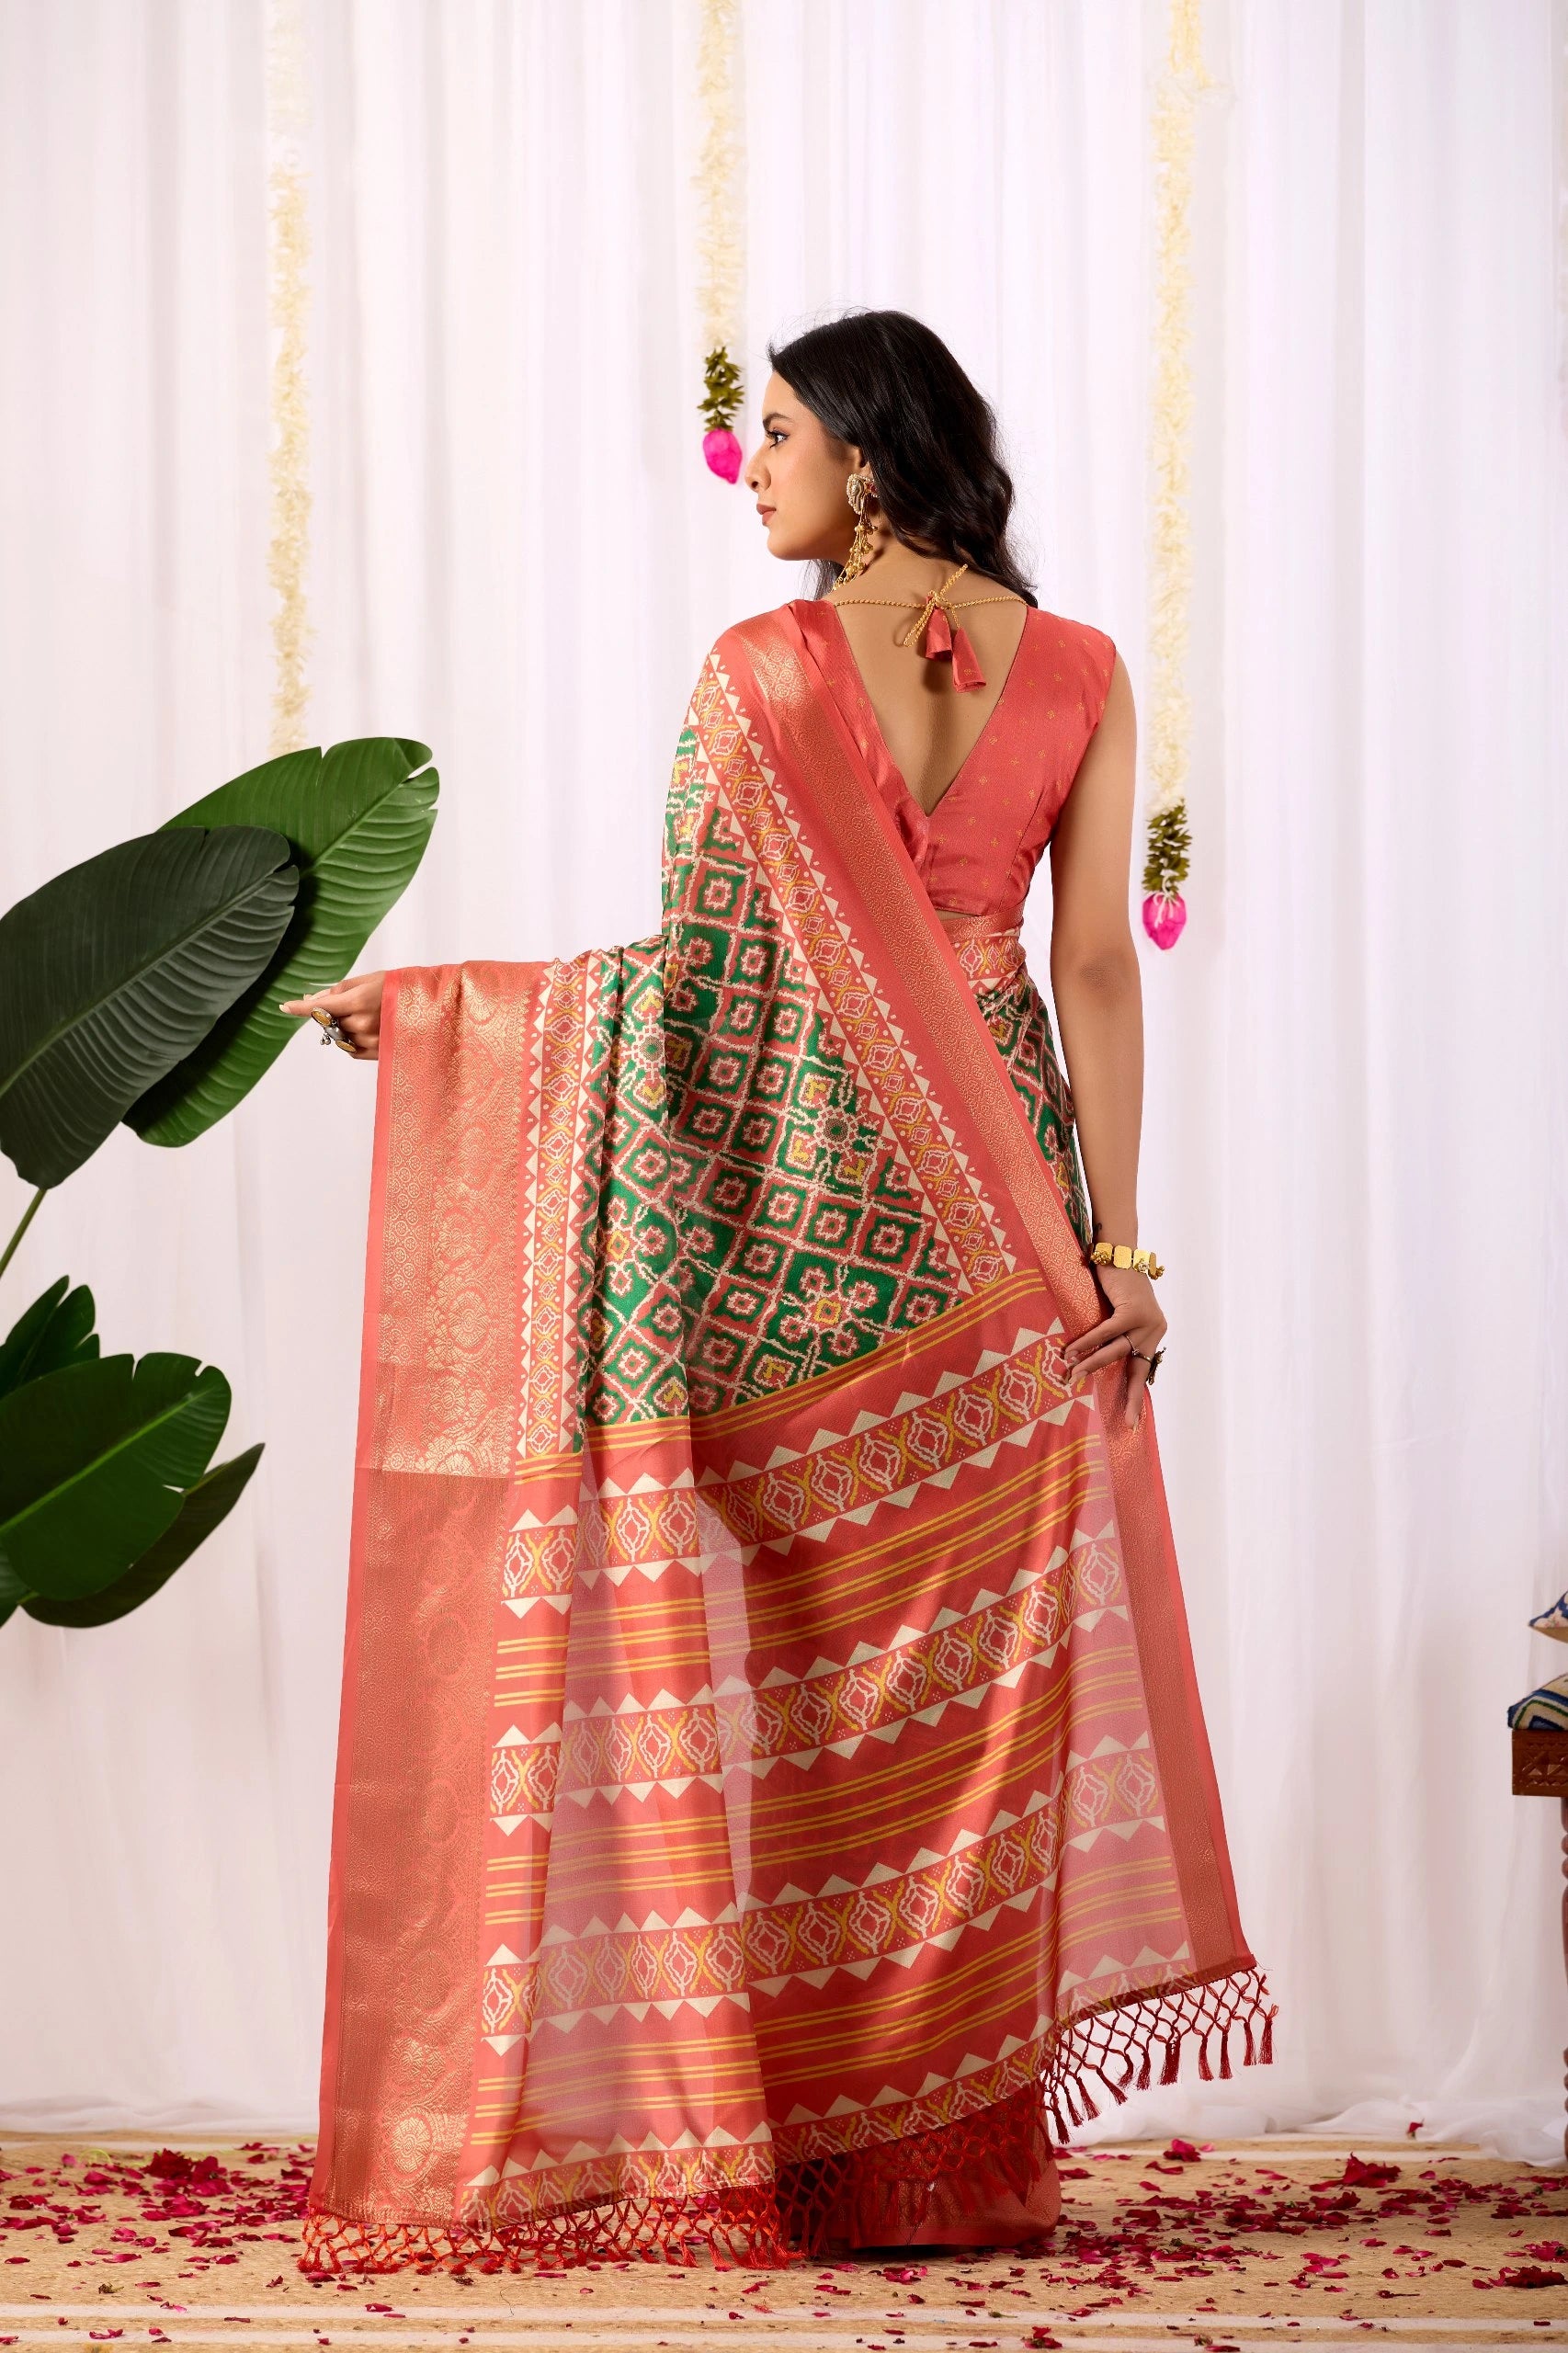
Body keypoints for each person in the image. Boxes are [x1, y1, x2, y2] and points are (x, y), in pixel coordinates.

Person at [284, 310, 1270, 2273]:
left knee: (815, 1696)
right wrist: (1123, 1253)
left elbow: (704, 991)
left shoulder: (759, 672)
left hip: (805, 1248)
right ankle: (951, 2166)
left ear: (875, 463)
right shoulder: (1077, 668)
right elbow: (1090, 973)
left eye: (786, 434)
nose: (758, 467)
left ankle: (805, 2151)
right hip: (1011, 1256)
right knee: (966, 1724)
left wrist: (443, 1023)